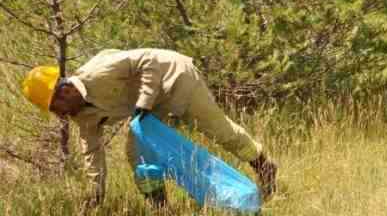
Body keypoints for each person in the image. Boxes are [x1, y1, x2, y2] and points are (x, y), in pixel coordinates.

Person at [20, 49, 278, 207]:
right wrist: (96, 193)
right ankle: (162, 211)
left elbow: (150, 61)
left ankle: (265, 168)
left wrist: (143, 103)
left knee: (219, 130)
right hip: (147, 106)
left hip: (175, 78)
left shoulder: (98, 71)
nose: (59, 115)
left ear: (64, 91)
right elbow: (92, 152)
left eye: (55, 107)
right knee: (137, 156)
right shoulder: (81, 115)